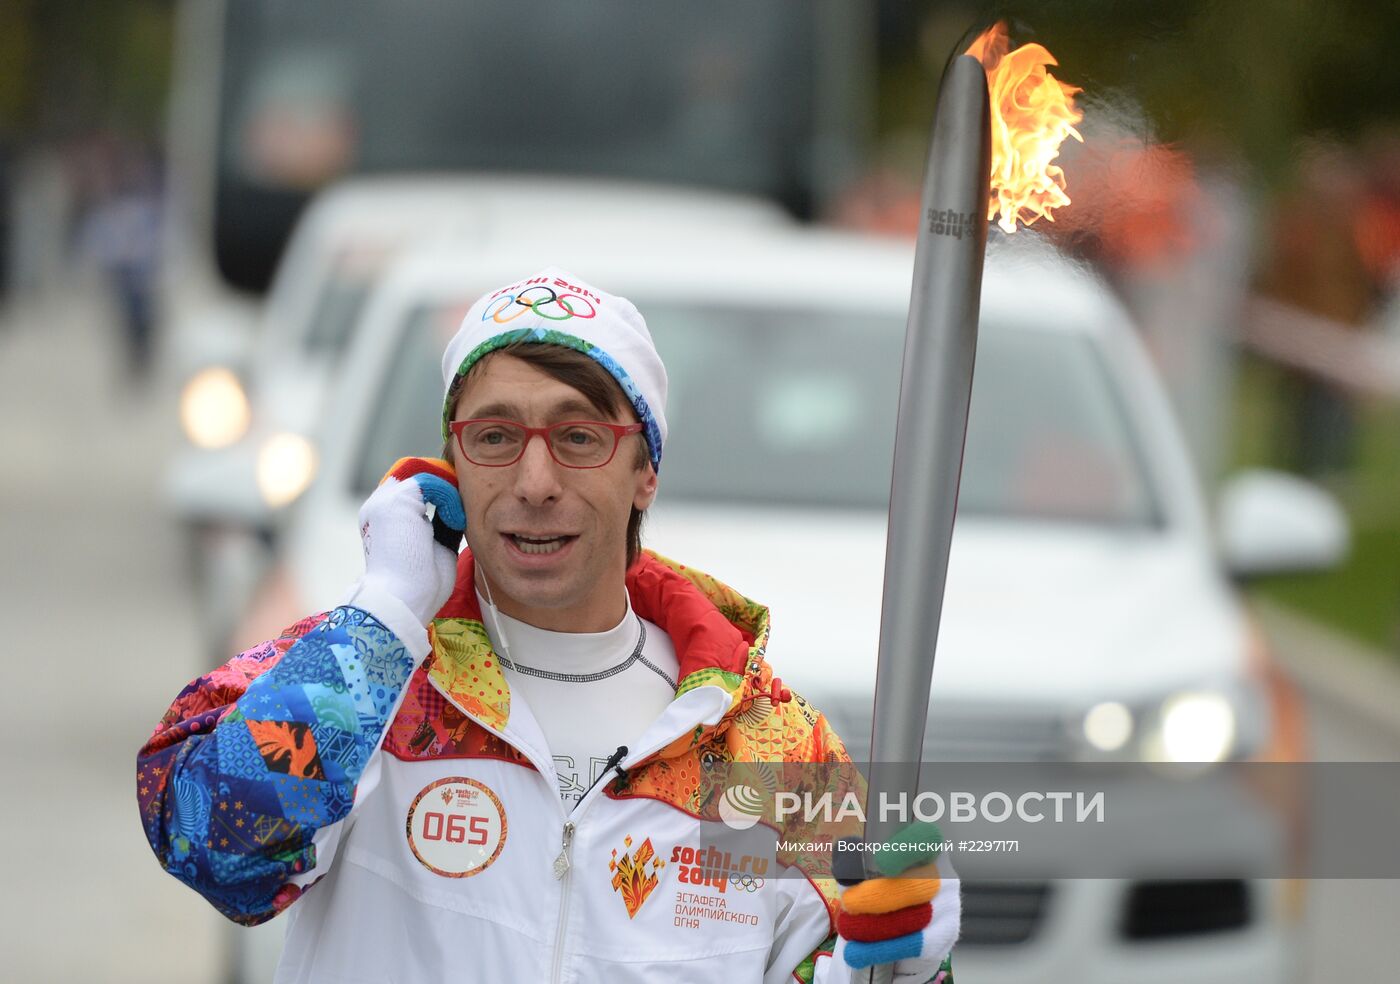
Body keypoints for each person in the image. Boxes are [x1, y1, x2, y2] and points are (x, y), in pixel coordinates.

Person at [138, 268, 959, 982]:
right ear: (450, 464)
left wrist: (894, 963)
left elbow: (864, 964)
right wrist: (384, 617)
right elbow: (213, 849)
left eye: (578, 437)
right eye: (495, 437)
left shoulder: (772, 752)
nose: (534, 481)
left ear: (644, 472)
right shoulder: (366, 679)